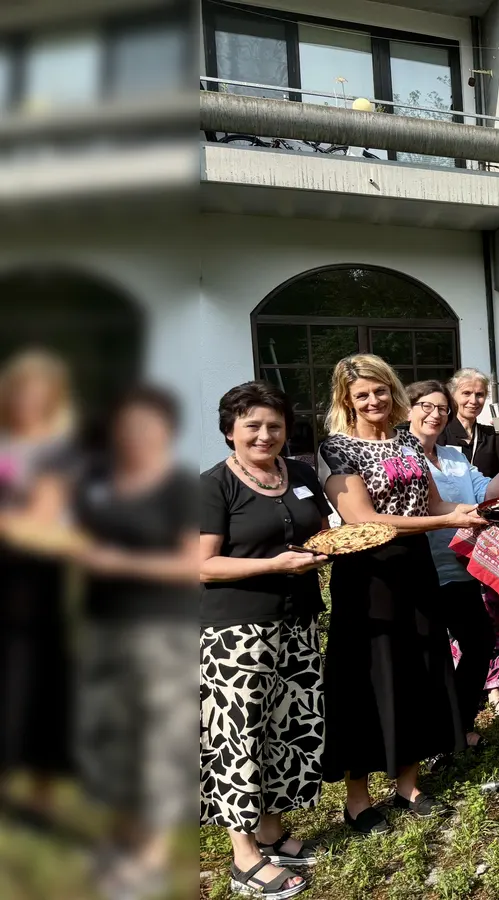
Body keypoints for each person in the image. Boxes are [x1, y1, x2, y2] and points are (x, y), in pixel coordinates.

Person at [318, 354, 485, 835]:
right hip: (367, 576)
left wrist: (477, 511)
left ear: (392, 391)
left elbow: (435, 502)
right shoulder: (337, 449)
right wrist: (446, 520)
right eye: (362, 395)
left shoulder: (408, 440)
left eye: (379, 391)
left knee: (418, 670)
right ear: (347, 400)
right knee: (367, 679)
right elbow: (363, 520)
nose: (373, 401)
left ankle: (408, 785)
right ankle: (357, 800)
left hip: (416, 567)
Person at [199, 381, 331, 900]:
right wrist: (274, 565)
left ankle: (272, 832)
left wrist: (328, 548)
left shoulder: (299, 473)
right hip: (237, 632)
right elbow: (203, 565)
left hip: (298, 619)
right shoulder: (214, 486)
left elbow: (321, 531)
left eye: (274, 425)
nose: (264, 434)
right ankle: (244, 855)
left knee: (288, 726)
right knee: (240, 736)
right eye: (251, 425)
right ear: (229, 430)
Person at [73, 386, 198, 898]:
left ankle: (152, 857)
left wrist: (121, 563)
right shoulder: (95, 484)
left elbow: (191, 563)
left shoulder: (181, 487)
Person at [405, 381, 499, 745]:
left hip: (460, 568)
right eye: (426, 406)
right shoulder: (400, 456)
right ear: (408, 409)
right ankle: (432, 737)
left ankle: (458, 725)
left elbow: (486, 494)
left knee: (479, 642)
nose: (435, 414)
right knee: (429, 656)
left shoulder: (454, 456)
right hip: (419, 570)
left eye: (441, 409)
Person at [0, 349, 76, 830]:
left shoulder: (60, 451)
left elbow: (51, 522)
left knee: (38, 683)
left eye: (42, 393)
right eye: (24, 391)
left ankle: (41, 792)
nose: (31, 401)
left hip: (35, 586)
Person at [441, 368, 499, 480]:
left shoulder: (492, 435)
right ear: (452, 396)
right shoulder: (440, 433)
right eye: (466, 393)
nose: (473, 401)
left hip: (487, 492)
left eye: (479, 395)